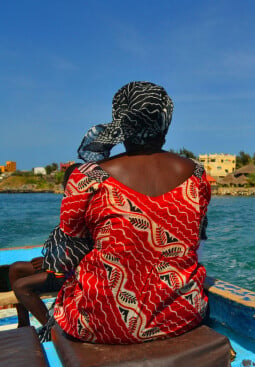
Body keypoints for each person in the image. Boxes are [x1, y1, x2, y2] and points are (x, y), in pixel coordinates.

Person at [41, 81, 210, 344]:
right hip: (180, 317)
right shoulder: (197, 174)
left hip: (100, 323)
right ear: (165, 121)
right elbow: (194, 237)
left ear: (120, 122)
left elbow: (67, 252)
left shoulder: (88, 177)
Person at [9, 163, 87, 328]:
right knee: (16, 269)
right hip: (62, 265)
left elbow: (84, 251)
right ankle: (23, 322)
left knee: (21, 286)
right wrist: (50, 260)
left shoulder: (88, 209)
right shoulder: (72, 206)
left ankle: (50, 329)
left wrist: (49, 264)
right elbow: (68, 246)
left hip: (77, 273)